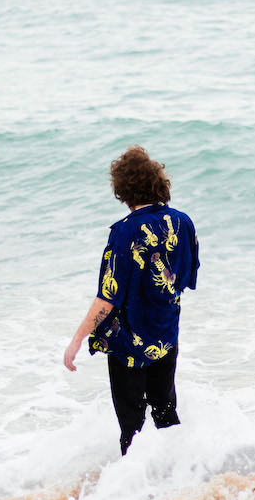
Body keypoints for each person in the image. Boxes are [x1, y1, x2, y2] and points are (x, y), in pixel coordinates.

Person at [64, 146, 199, 455]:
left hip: (128, 342)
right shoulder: (183, 223)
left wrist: (77, 339)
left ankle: (135, 494)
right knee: (166, 413)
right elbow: (187, 279)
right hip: (166, 334)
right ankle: (180, 478)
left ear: (122, 190)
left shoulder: (124, 233)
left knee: (132, 426)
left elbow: (108, 298)